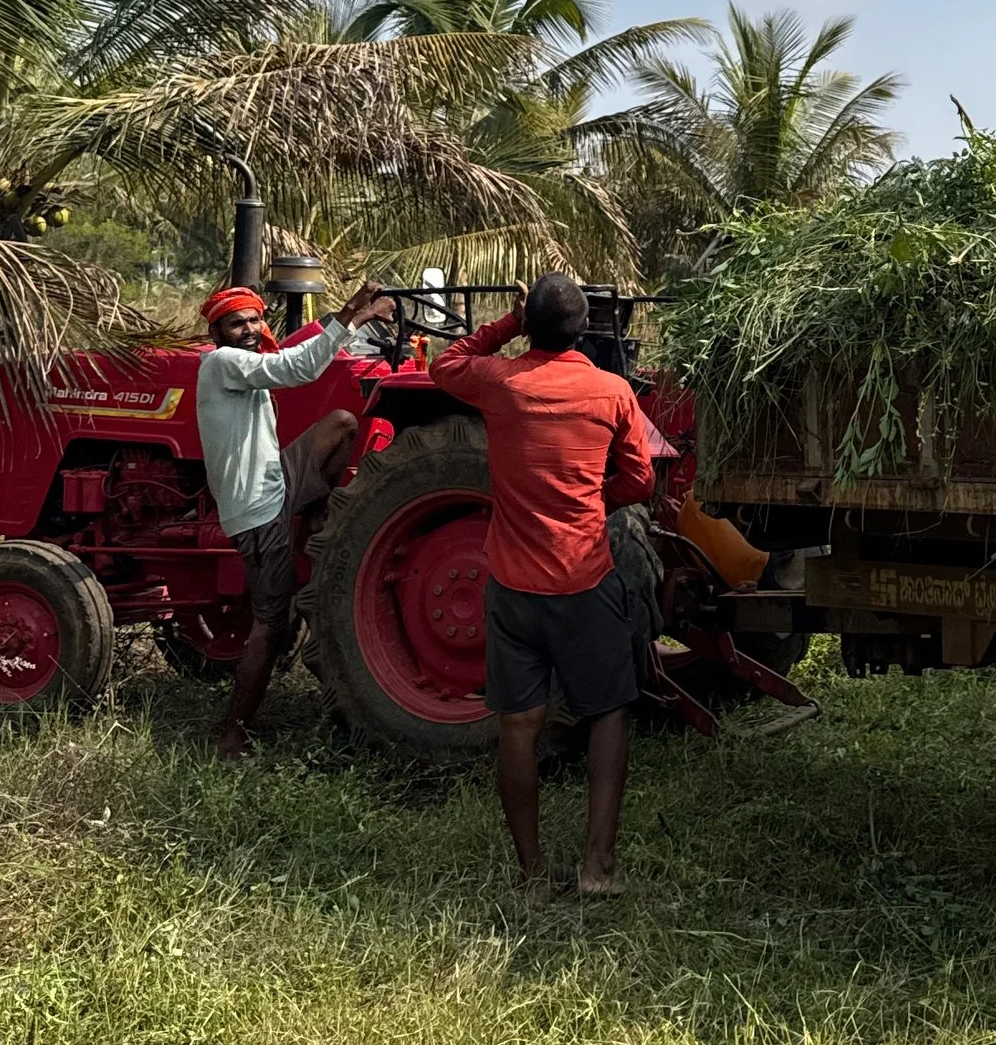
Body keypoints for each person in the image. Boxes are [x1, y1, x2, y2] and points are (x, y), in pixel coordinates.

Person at [430, 272, 657, 897]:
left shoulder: (502, 384)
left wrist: (506, 323)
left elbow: (445, 363)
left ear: (531, 325)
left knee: (519, 725)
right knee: (608, 713)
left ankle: (531, 875)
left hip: (512, 587)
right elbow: (641, 484)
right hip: (584, 579)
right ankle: (597, 868)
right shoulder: (611, 391)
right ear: (584, 328)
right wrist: (590, 501)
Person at [195, 279, 388, 756]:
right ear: (217, 331)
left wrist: (344, 311)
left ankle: (318, 519)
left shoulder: (244, 358)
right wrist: (356, 319)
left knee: (342, 423)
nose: (247, 329)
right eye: (235, 323)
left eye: (254, 320)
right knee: (272, 624)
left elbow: (297, 345)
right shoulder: (223, 363)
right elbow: (296, 365)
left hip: (276, 476)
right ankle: (232, 733)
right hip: (257, 507)